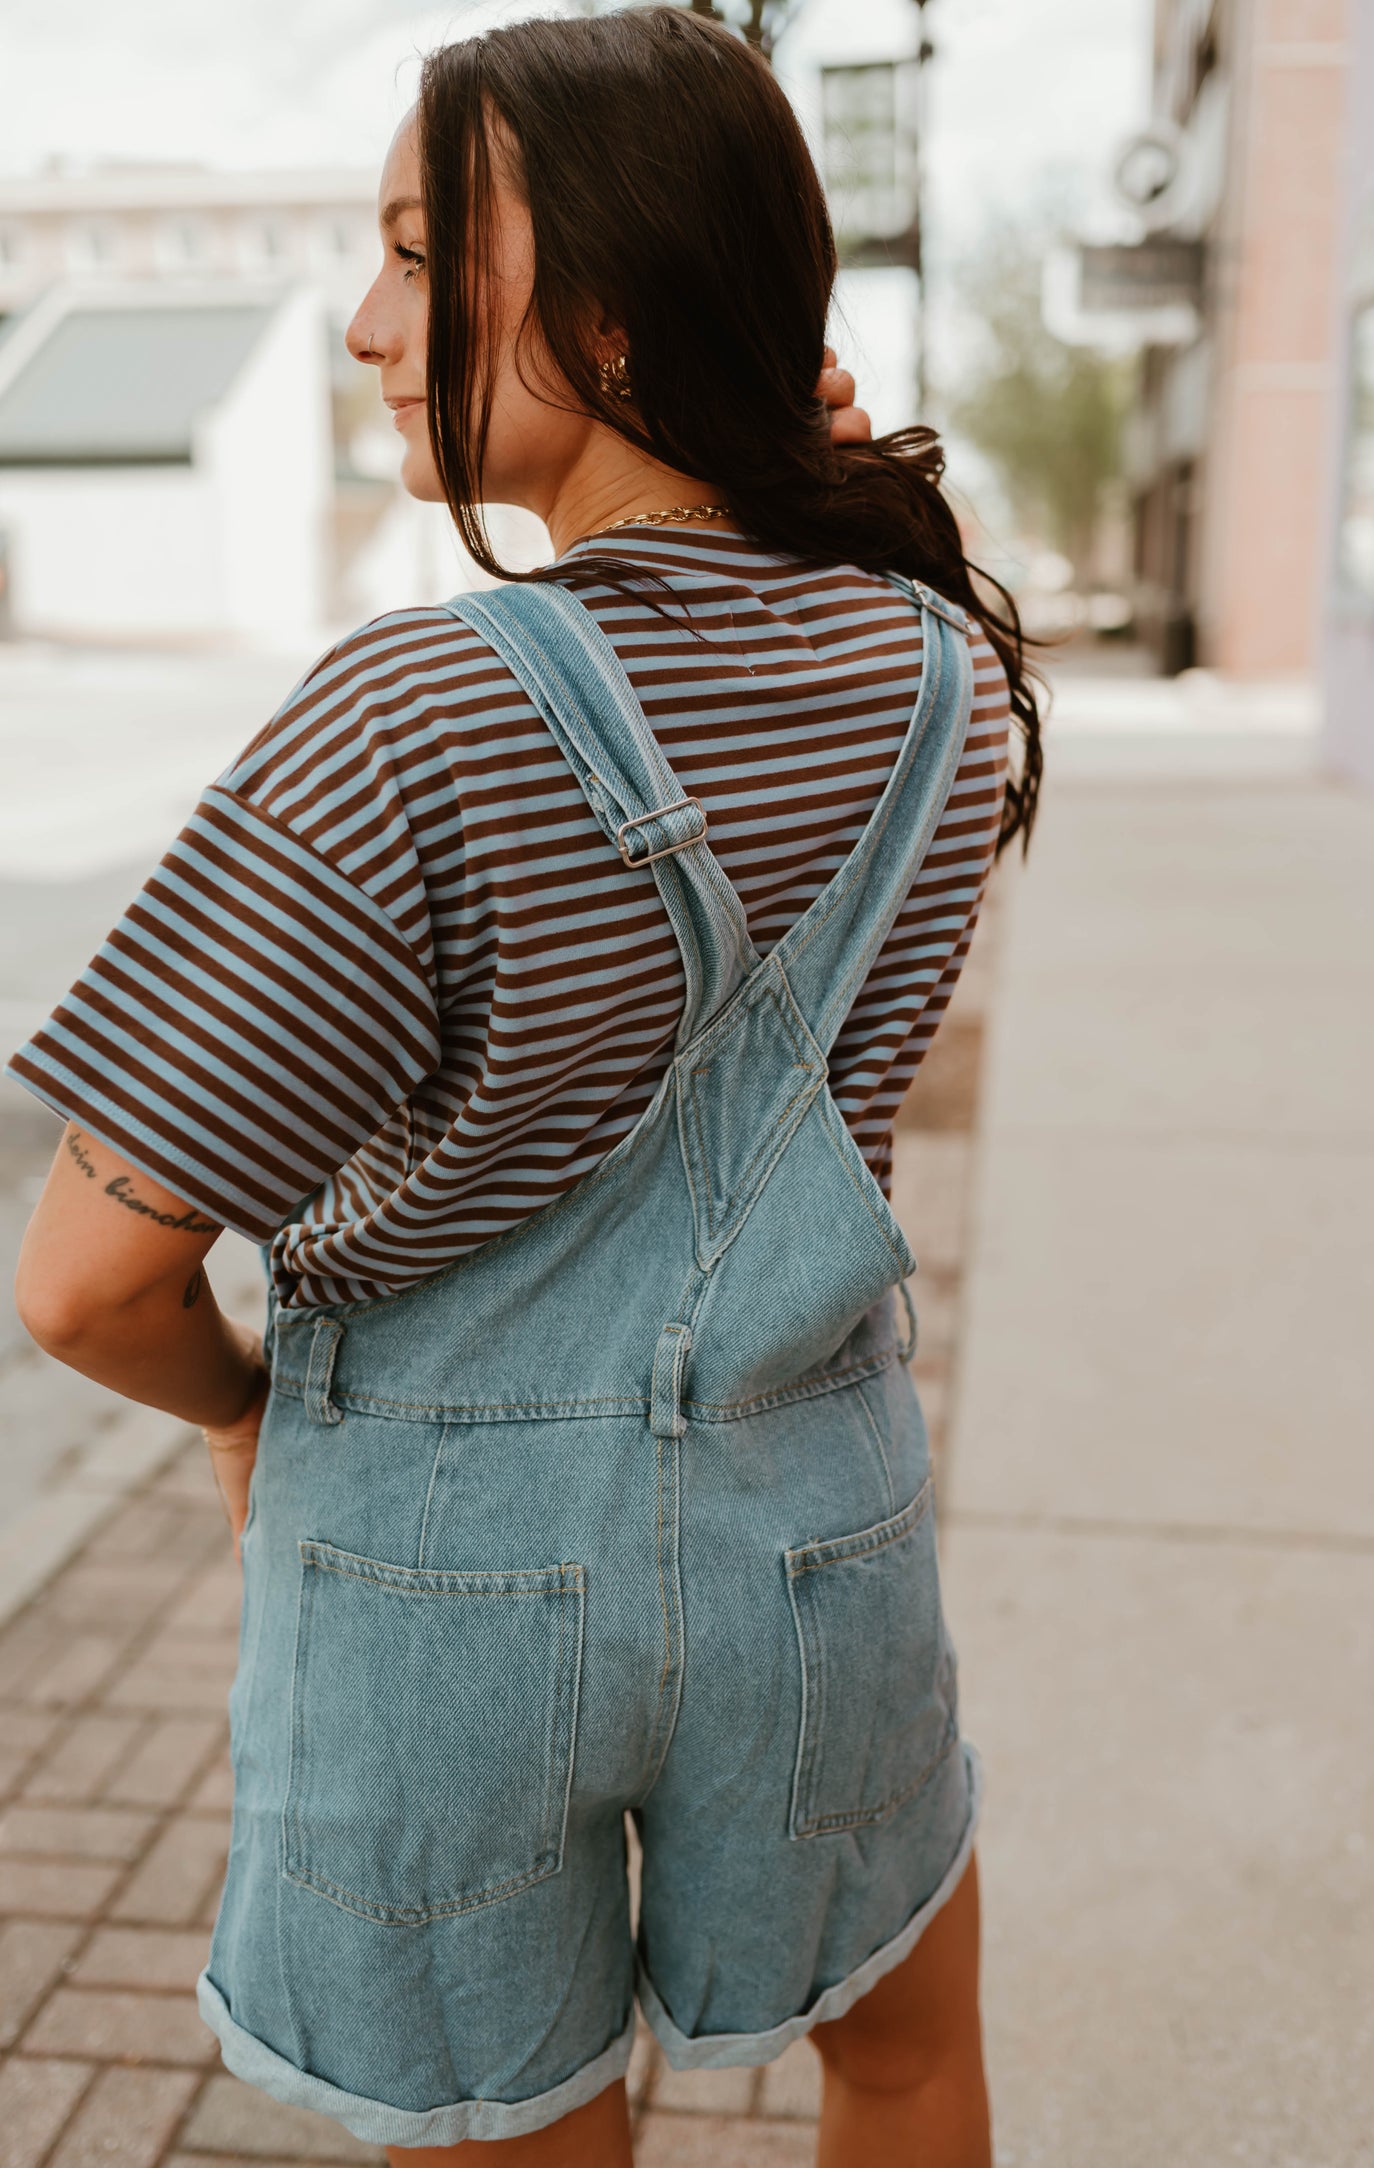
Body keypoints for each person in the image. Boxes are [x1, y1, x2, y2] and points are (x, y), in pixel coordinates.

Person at [11, 11, 1041, 2165]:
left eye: (414, 258)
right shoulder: (940, 664)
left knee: (516, 2127)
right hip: (814, 1536)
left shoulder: (414, 711)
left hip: (436, 1584)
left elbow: (88, 1279)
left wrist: (241, 1423)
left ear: (611, 297)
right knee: (913, 2053)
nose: (370, 328)